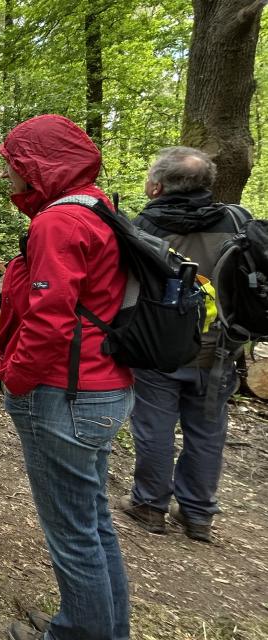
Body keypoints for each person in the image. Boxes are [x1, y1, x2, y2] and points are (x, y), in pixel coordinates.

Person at [0, 115, 135, 640]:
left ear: (39, 164)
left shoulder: (59, 222)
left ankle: (79, 631)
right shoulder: (99, 208)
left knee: (73, 534)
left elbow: (50, 318)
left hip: (66, 393)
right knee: (92, 521)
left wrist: (15, 378)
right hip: (102, 386)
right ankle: (100, 625)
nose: (7, 173)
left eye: (13, 163)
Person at [118, 147, 250, 543]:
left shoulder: (145, 225)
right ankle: (197, 513)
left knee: (154, 426)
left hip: (160, 347)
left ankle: (150, 505)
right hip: (222, 346)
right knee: (208, 430)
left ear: (157, 186)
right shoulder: (237, 220)